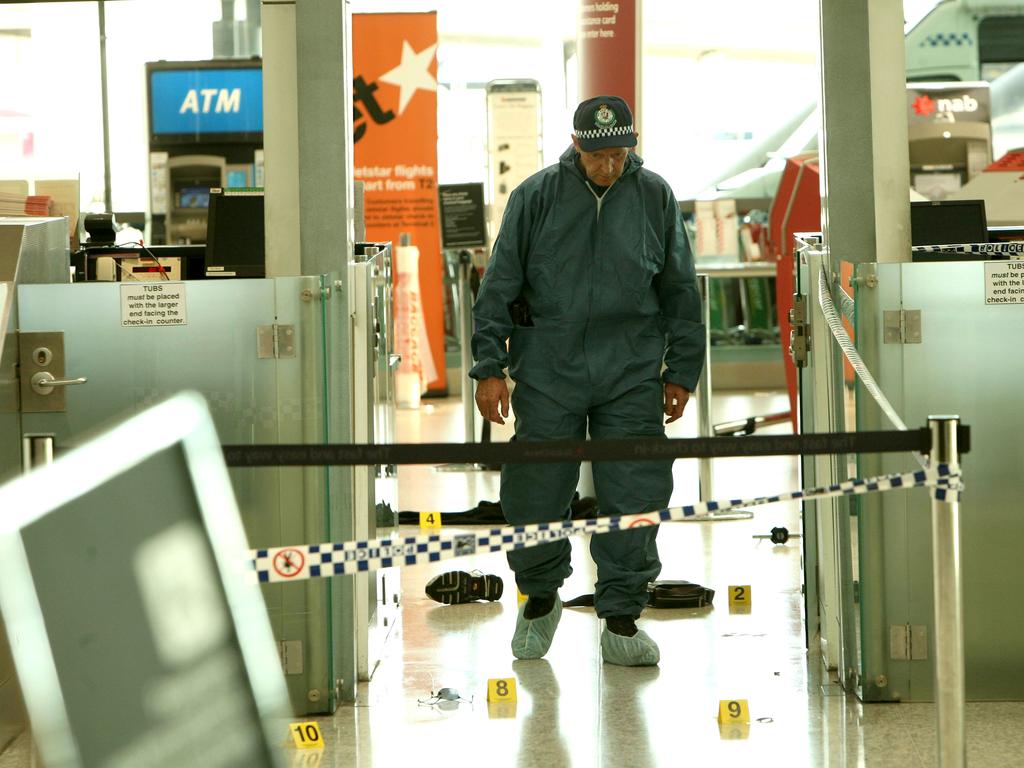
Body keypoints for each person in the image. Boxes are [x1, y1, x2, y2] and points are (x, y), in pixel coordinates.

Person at [469, 95, 705, 666]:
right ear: (577, 145)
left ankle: (621, 617)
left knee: (637, 489)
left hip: (630, 371)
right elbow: (499, 284)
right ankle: (541, 598)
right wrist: (487, 368)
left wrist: (683, 372)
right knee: (534, 490)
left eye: (620, 152)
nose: (610, 165)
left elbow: (679, 289)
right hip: (549, 369)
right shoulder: (536, 196)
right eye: (599, 155)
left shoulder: (655, 195)